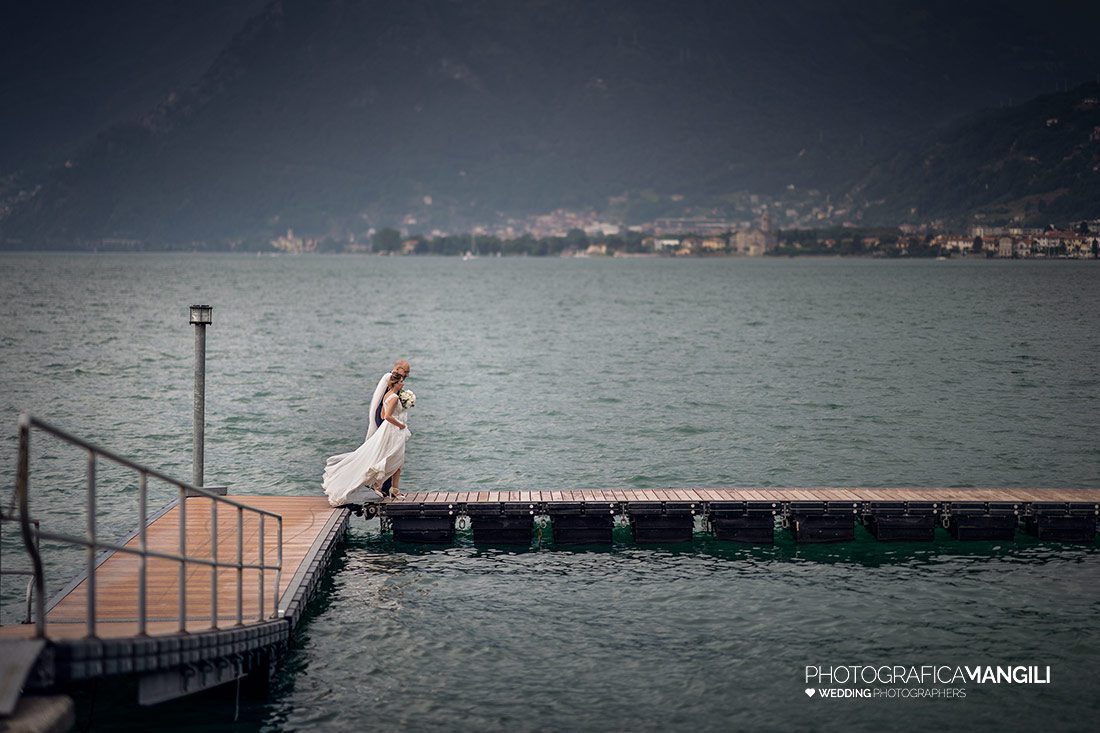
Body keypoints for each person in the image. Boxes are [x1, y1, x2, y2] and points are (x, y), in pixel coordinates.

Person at [322, 362, 412, 506]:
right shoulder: (394, 396)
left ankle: (390, 487)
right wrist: (401, 423)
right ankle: (381, 485)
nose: (404, 381)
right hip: (395, 431)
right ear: (397, 376)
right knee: (395, 459)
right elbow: (387, 416)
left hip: (390, 430)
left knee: (394, 458)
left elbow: (382, 414)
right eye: (403, 378)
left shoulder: (388, 394)